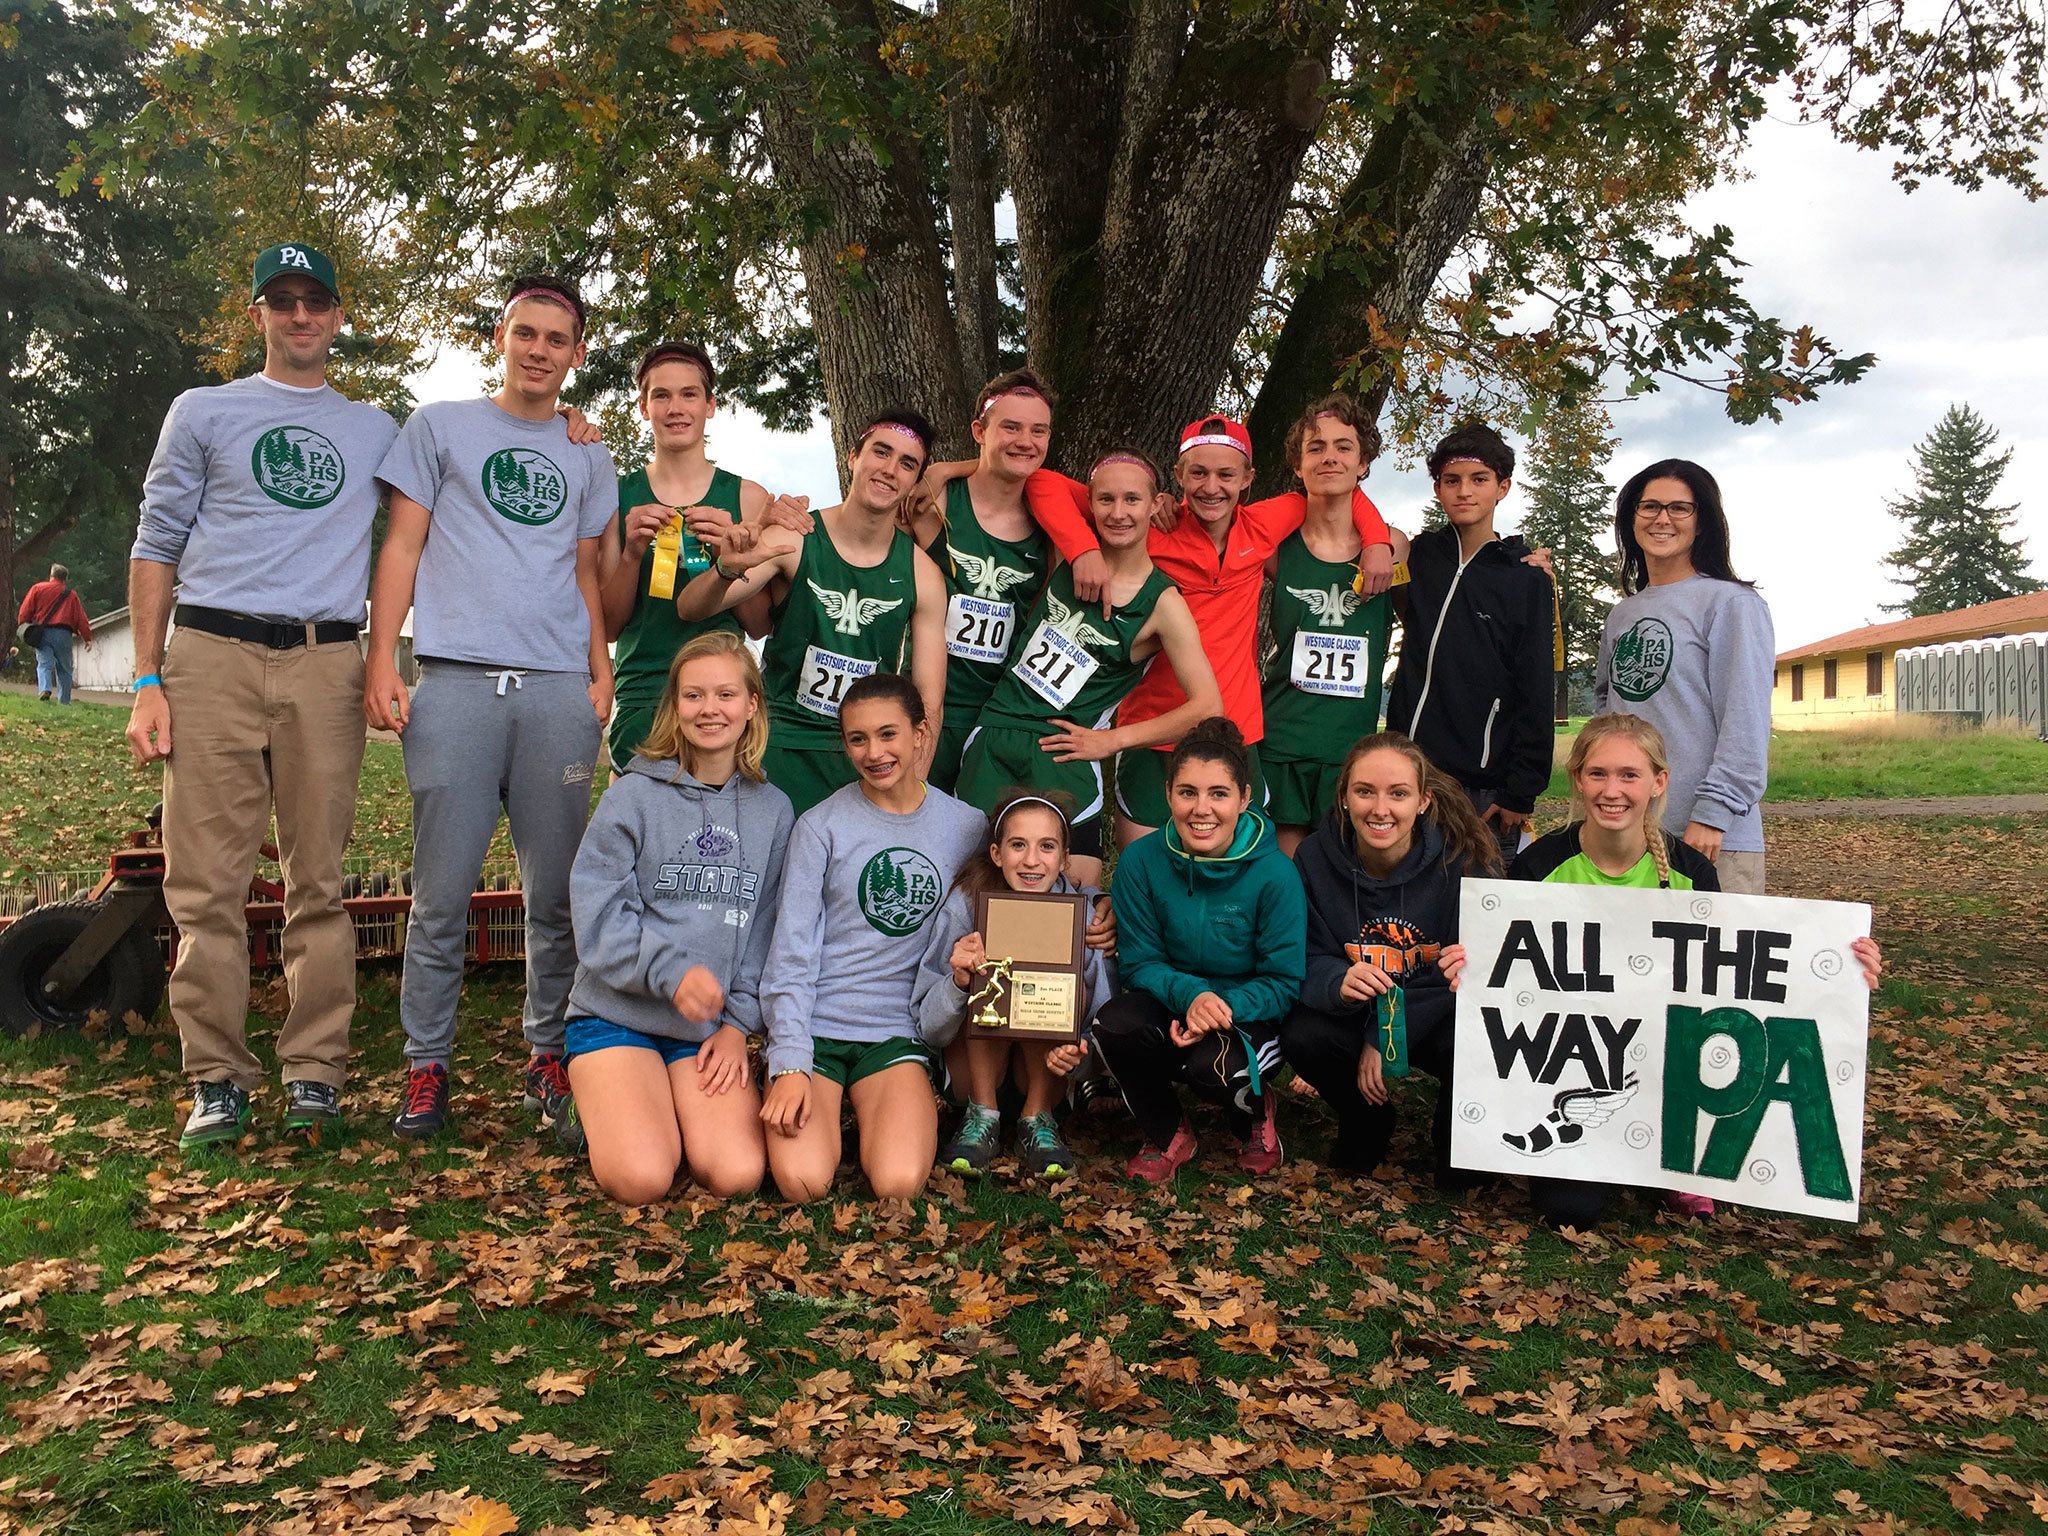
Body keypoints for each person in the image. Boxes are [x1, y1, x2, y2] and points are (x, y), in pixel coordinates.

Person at [126, 242, 400, 1148]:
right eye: (280, 301)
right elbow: (156, 542)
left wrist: (574, 433)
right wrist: (146, 677)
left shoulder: (375, 432)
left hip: (327, 661)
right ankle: (216, 1076)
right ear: (257, 316)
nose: (299, 316)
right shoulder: (202, 411)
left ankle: (315, 1069)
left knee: (316, 879)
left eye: (314, 301)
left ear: (337, 315)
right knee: (205, 884)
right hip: (211, 653)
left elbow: (457, 490)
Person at [366, 273, 617, 1140]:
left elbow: (586, 571)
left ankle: (548, 1057)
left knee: (555, 899)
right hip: (457, 681)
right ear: (500, 340)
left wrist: (599, 670)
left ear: (576, 354)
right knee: (441, 897)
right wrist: (382, 659)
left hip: (557, 691)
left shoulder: (589, 452)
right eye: (526, 334)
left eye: (557, 339)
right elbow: (403, 542)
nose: (540, 350)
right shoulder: (439, 427)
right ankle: (426, 1068)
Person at [1477, 713, 1883, 1226]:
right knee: (1568, 1212)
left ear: (1658, 782)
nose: (1612, 790)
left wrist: (1841, 970)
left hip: (1669, 1063)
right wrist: (1472, 968)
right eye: (1598, 774)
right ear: (1577, 779)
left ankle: (1679, 1163)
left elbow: (1730, 985)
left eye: (1629, 775)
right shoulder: (1540, 866)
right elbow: (1516, 980)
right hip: (1580, 1066)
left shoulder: (1692, 870)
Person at [1016, 415, 1394, 847]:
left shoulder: (1267, 523)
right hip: (1151, 730)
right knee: (1145, 866)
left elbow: (1337, 490)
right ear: (1178, 476)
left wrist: (1377, 540)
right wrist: (1082, 549)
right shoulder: (1148, 528)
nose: (1211, 487)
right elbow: (1041, 483)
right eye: (1198, 473)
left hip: (1235, 730)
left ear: (1248, 478)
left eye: (1226, 474)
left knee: (1235, 879)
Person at [561, 632, 793, 1201]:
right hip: (617, 1015)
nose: (709, 709)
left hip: (703, 1032)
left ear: (751, 705)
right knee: (643, 1178)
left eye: (725, 695)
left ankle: (665, 1104)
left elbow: (766, 928)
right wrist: (672, 973)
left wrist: (739, 1027)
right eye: (693, 696)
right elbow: (598, 920)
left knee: (736, 1174)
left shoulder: (774, 810)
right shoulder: (631, 797)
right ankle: (595, 1099)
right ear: (675, 707)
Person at [758, 673, 987, 1200]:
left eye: (888, 734)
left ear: (920, 734)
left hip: (896, 1030)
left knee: (899, 1181)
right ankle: (782, 1083)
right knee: (803, 1183)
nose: (874, 752)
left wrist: (1093, 912)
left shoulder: (967, 827)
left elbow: (1028, 884)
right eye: (858, 738)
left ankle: (891, 1107)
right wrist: (789, 1058)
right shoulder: (819, 826)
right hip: (817, 1027)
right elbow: (790, 953)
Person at [953, 450, 1221, 884]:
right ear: (1089, 504)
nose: (1118, 513)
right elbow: (1035, 479)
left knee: (1073, 904)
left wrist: (1112, 741)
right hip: (994, 735)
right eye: (1105, 500)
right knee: (973, 884)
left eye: (1133, 500)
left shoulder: (1163, 604)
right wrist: (949, 467)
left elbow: (1208, 706)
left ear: (1156, 505)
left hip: (1066, 750)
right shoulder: (1068, 549)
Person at [678, 410, 949, 816]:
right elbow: (692, 608)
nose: (891, 470)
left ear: (914, 481)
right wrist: (725, 568)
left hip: (863, 756)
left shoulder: (923, 575)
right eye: (881, 452)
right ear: (852, 457)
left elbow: (929, 702)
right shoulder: (796, 537)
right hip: (778, 747)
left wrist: (910, 797)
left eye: (907, 464)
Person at [1280, 732, 1501, 1182]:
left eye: (1398, 794)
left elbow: (1473, 972)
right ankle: (1367, 1118)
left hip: (1436, 1013)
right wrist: (1333, 980)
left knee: (1476, 1039)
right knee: (1303, 1034)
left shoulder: (1464, 861)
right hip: (1354, 1013)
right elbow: (1302, 951)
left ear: (1423, 801)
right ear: (1344, 797)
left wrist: (1383, 1034)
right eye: (1365, 791)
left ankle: (1459, 1133)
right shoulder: (1312, 859)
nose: (1380, 809)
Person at [1093, 717, 1306, 1182]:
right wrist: (1191, 996)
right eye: (1187, 792)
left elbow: (1285, 981)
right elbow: (1140, 961)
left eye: (1219, 794)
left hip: (1247, 1009)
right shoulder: (1140, 862)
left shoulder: (1276, 874)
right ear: (1168, 794)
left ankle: (1252, 1113)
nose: (1202, 809)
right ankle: (1168, 1132)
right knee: (1115, 1025)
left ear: (1245, 798)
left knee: (1213, 1069)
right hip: (1174, 997)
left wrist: (1220, 1006)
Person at [899, 371, 1100, 791]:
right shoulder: (931, 502)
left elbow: (1122, 499)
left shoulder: (1053, 520)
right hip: (925, 708)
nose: (1025, 441)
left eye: (1038, 430)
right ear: (979, 431)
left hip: (1004, 718)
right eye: (1010, 427)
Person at [914, 791, 1117, 1179]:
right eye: (1018, 845)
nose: (1031, 860)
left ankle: (1037, 1119)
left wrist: (1079, 1059)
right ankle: (982, 1116)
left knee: (1054, 979)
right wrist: (959, 982)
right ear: (996, 853)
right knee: (990, 974)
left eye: (1047, 847)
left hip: (1045, 1073)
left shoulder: (1086, 916)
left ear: (1064, 858)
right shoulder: (965, 904)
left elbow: (1102, 1028)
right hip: (970, 1070)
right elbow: (929, 1027)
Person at [1596, 459, 1775, 894]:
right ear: (1630, 519)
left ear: (1703, 522)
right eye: (1649, 506)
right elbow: (1608, 716)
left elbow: (1745, 722)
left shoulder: (1732, 604)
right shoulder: (1624, 614)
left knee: (1713, 964)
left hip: (1710, 837)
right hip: (1626, 837)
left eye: (1680, 508)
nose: (1662, 519)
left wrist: (1713, 814)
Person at [598, 341, 772, 776]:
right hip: (644, 691)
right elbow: (610, 625)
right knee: (644, 833)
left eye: (689, 394)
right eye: (662, 395)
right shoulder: (616, 498)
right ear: (644, 407)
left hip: (720, 696)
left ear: (710, 405)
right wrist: (631, 554)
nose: (676, 407)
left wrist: (727, 561)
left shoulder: (746, 497)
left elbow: (759, 623)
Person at [1385, 423, 1556, 861]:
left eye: (1478, 480)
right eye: (1451, 481)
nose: (1464, 491)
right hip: (1408, 770)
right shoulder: (1422, 557)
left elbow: (1536, 690)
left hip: (1480, 788)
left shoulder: (1526, 578)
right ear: (1437, 489)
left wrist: (1521, 792)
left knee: (1476, 909)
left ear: (1503, 487)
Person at [1260, 397, 1407, 855]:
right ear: (1298, 464)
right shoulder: (1274, 550)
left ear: (1363, 464)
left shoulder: (1395, 547)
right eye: (1316, 447)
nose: (1329, 457)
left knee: (1341, 877)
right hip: (1282, 737)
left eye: (1344, 448)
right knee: (1287, 876)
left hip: (1351, 746)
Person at [17, 565, 91, 704]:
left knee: (44, 663)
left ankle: (45, 689)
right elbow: (80, 618)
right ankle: (64, 702)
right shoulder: (71, 595)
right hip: (63, 634)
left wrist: (23, 624)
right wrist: (87, 637)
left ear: (51, 575)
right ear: (65, 579)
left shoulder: (38, 588)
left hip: (42, 632)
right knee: (64, 668)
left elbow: (25, 611)